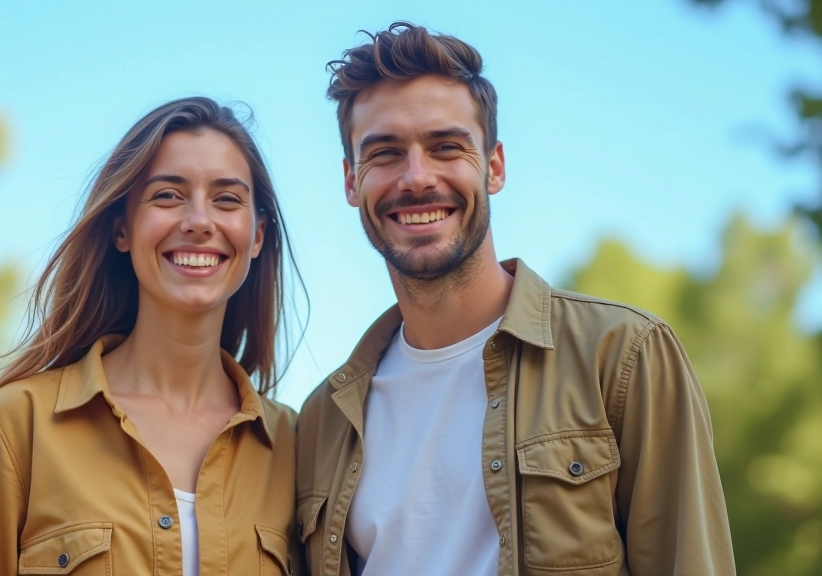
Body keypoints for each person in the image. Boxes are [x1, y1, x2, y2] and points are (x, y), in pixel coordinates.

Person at [295, 22, 736, 576]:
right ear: (351, 182)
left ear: (494, 165)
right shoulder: (321, 420)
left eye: (446, 147)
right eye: (384, 153)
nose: (416, 177)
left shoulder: (623, 355)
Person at [0, 97, 301, 575]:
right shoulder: (16, 425)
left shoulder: (297, 447)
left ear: (256, 236)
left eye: (227, 199)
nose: (198, 220)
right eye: (168, 195)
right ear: (121, 229)